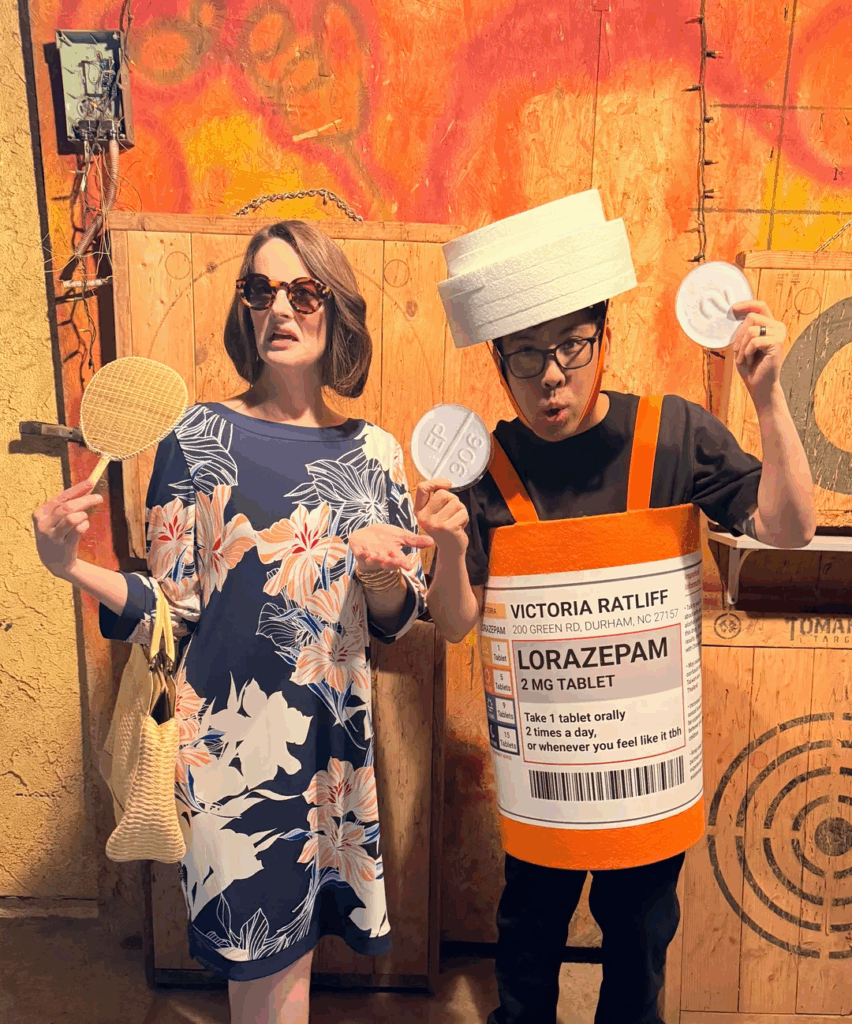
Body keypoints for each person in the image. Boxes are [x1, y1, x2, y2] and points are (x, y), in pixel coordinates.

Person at [416, 191, 815, 1024]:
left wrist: (771, 400)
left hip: (647, 786)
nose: (551, 376)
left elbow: (787, 527)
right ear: (498, 364)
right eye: (525, 357)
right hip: (545, 783)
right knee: (525, 954)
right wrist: (449, 549)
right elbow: (456, 622)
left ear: (605, 338)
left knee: (637, 957)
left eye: (571, 346)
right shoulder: (483, 469)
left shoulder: (675, 437)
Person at [31, 220, 434, 1024]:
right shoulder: (196, 439)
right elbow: (172, 614)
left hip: (331, 751)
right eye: (260, 290)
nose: (280, 307)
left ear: (335, 308)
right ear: (245, 311)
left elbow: (391, 623)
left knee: (289, 975)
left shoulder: (377, 454)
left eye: (303, 290)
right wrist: (69, 566)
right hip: (229, 752)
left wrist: (383, 572)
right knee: (264, 971)